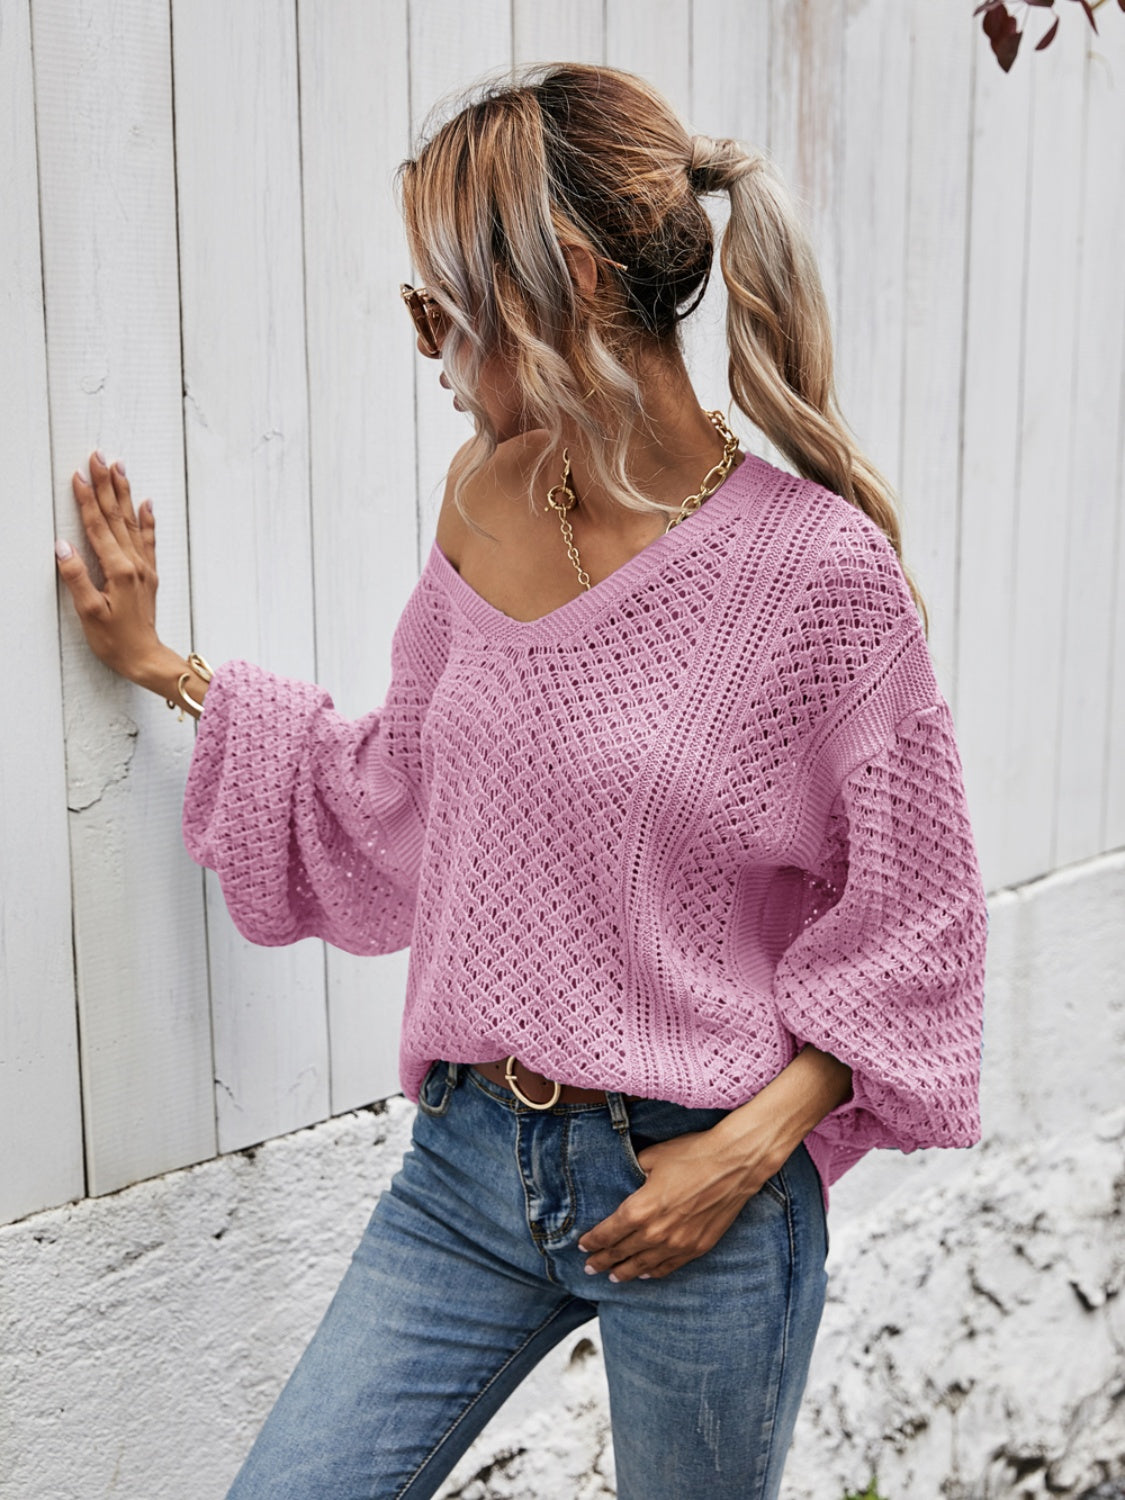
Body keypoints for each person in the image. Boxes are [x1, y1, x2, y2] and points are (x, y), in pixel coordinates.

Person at [54, 61, 988, 1500]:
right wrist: (163, 663)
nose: (426, 348)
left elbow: (919, 920)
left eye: (439, 308)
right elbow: (397, 790)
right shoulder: (484, 500)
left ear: (565, 283)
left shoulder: (817, 574)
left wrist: (745, 1154)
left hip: (702, 1189)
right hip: (467, 1168)